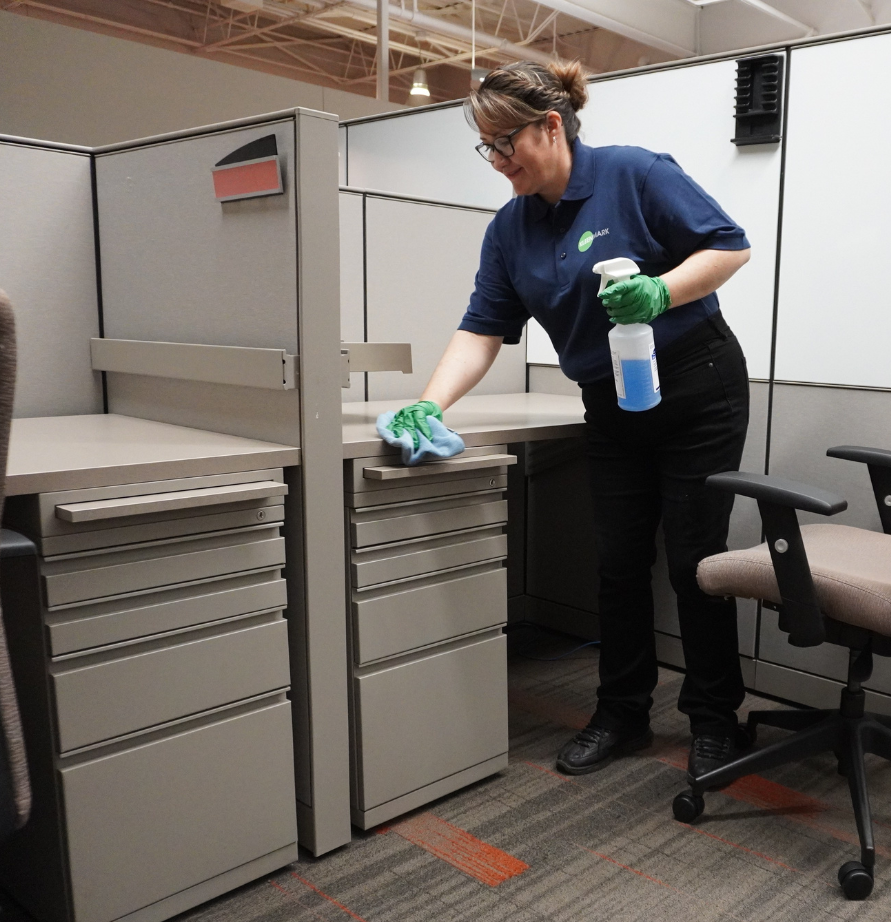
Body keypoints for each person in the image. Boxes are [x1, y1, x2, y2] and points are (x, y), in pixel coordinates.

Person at [385, 60, 753, 779]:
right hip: (611, 401)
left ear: (550, 126)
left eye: (505, 143)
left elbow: (728, 245)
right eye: (487, 147)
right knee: (617, 563)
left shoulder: (634, 173)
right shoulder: (510, 228)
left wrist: (660, 291)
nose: (497, 161)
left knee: (693, 561)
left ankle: (715, 718)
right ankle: (622, 713)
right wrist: (432, 401)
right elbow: (482, 329)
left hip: (696, 387)